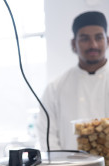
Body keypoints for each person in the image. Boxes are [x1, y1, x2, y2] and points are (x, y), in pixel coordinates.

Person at [37, 11, 109, 151]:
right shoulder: (55, 88)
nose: (93, 44)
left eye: (98, 37)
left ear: (107, 41)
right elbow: (47, 137)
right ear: (73, 44)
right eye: (85, 38)